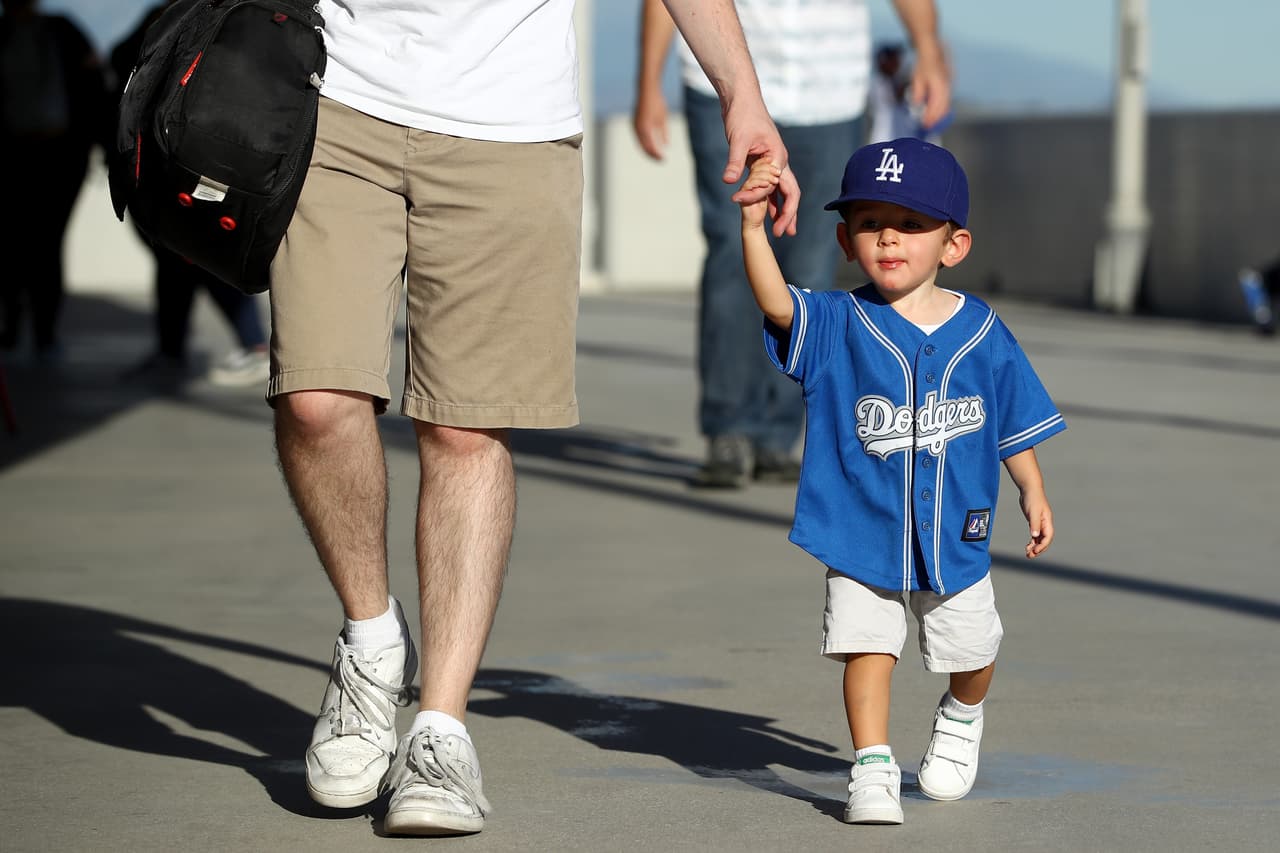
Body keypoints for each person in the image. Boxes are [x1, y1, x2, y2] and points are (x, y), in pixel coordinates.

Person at [270, 0, 797, 837]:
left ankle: (440, 729)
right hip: (334, 98)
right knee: (315, 398)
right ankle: (371, 645)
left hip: (510, 122)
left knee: (466, 427)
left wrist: (742, 92)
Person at [735, 138, 1066, 824]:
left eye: (912, 223)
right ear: (846, 240)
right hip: (859, 527)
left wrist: (1030, 488)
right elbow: (776, 304)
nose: (889, 235)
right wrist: (750, 228)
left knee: (973, 649)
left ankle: (962, 713)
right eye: (870, 221)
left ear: (954, 244)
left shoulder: (982, 330)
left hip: (958, 531)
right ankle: (873, 765)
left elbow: (1012, 419)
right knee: (868, 644)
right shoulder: (835, 323)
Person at [633, 0, 949, 488]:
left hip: (830, 92)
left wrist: (928, 50)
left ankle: (779, 436)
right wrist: (648, 82)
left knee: (814, 258)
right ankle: (729, 429)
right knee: (732, 251)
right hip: (720, 82)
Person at [108, 0, 271, 388]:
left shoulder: (221, 19)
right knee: (178, 262)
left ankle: (252, 347)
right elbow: (124, 62)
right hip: (165, 164)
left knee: (200, 257)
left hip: (194, 164)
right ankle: (174, 351)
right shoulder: (177, 15)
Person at [0, 0, 106, 360]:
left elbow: (95, 87)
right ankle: (11, 328)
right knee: (11, 246)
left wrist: (106, 146)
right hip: (12, 158)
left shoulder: (62, 30)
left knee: (47, 242)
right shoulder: (5, 34)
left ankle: (44, 334)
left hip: (60, 157)